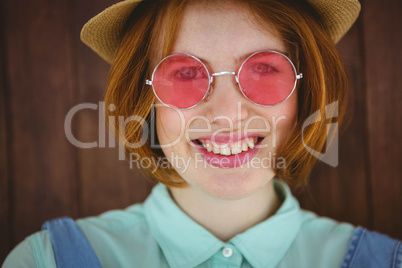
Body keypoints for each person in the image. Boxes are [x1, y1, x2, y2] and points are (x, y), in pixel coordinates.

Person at [3, 0, 402, 267]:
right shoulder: (46, 261)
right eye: (186, 73)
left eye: (264, 68)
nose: (227, 115)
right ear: (145, 98)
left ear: (305, 90)